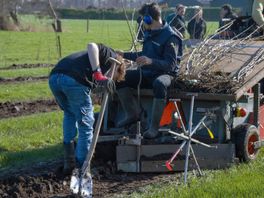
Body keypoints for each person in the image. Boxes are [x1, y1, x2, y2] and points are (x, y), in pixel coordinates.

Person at [48, 43, 125, 174]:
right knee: (86, 124)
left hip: (55, 77)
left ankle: (69, 163)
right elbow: (92, 46)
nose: (110, 79)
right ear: (118, 68)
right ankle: (82, 167)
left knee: (70, 114)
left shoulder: (92, 61)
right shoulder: (111, 56)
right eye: (114, 78)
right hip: (73, 79)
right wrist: (99, 74)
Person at [116, 2, 183, 139]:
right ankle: (132, 114)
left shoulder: (171, 36)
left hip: (166, 75)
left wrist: (151, 61)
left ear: (148, 19)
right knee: (119, 77)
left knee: (159, 83)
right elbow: (143, 55)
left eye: (143, 20)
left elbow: (170, 65)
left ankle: (154, 127)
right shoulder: (149, 33)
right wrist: (124, 54)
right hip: (147, 73)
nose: (142, 23)